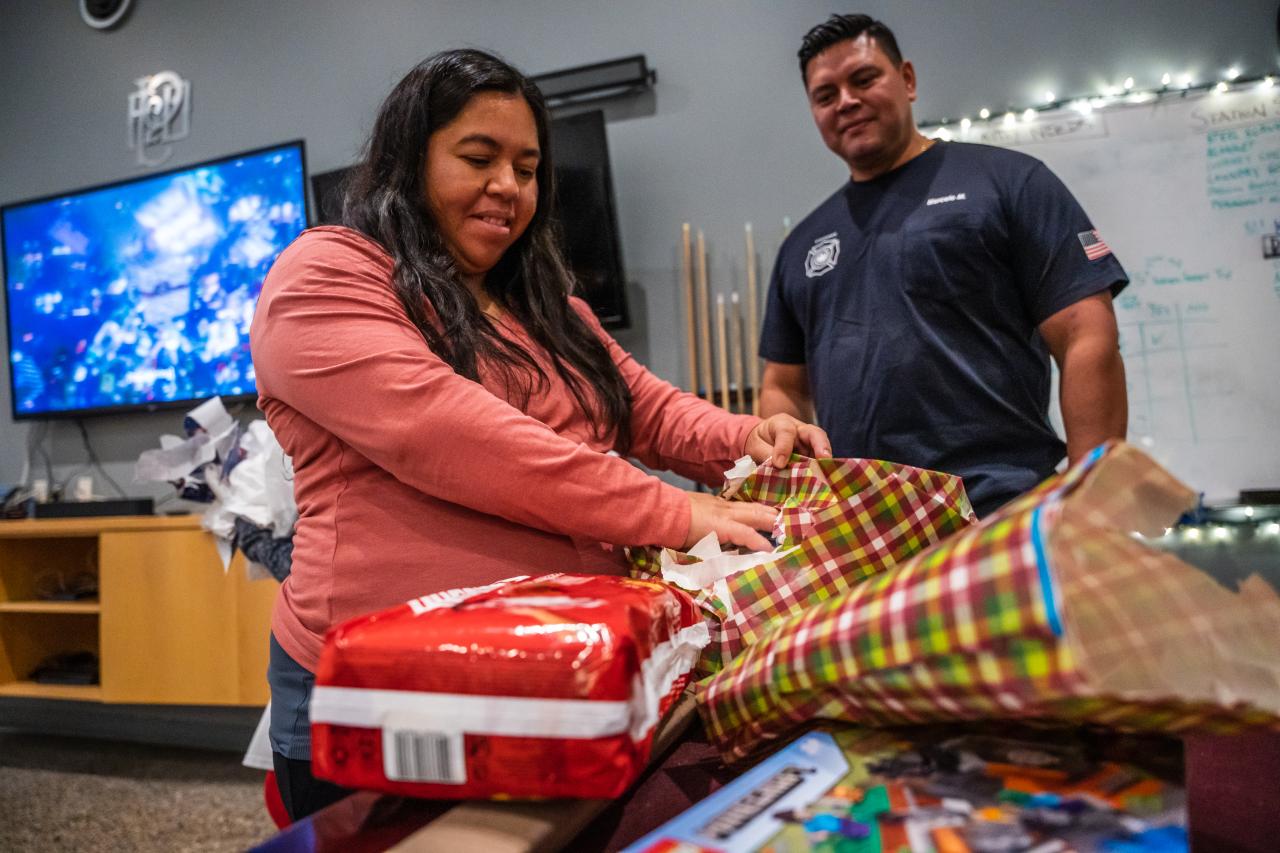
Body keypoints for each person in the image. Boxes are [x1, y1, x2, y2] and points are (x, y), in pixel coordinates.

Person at [250, 48, 830, 820]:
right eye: (479, 157)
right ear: (406, 158)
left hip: (567, 662)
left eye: (527, 167)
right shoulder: (326, 272)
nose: (509, 187)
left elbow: (648, 410)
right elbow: (454, 435)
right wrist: (680, 512)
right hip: (390, 685)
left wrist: (752, 437)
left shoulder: (547, 304)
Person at [758, 14, 1128, 517]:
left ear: (907, 80)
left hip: (1003, 506)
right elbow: (783, 386)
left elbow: (1086, 332)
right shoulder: (802, 245)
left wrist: (1092, 498)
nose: (846, 101)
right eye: (826, 95)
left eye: (864, 79)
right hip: (859, 527)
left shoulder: (1009, 182)